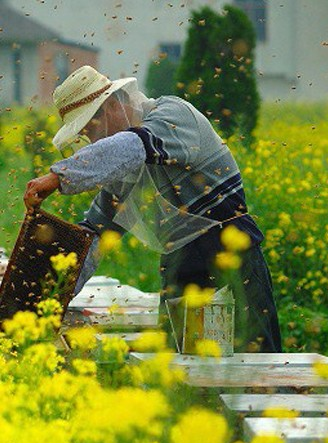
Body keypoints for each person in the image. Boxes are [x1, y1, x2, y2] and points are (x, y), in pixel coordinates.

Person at [24, 65, 281, 353]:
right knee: (183, 384)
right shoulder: (125, 170)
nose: (93, 141)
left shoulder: (172, 115)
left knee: (255, 372)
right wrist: (47, 298)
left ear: (111, 105)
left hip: (233, 259)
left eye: (90, 129)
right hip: (180, 269)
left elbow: (134, 146)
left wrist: (59, 177)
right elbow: (92, 236)